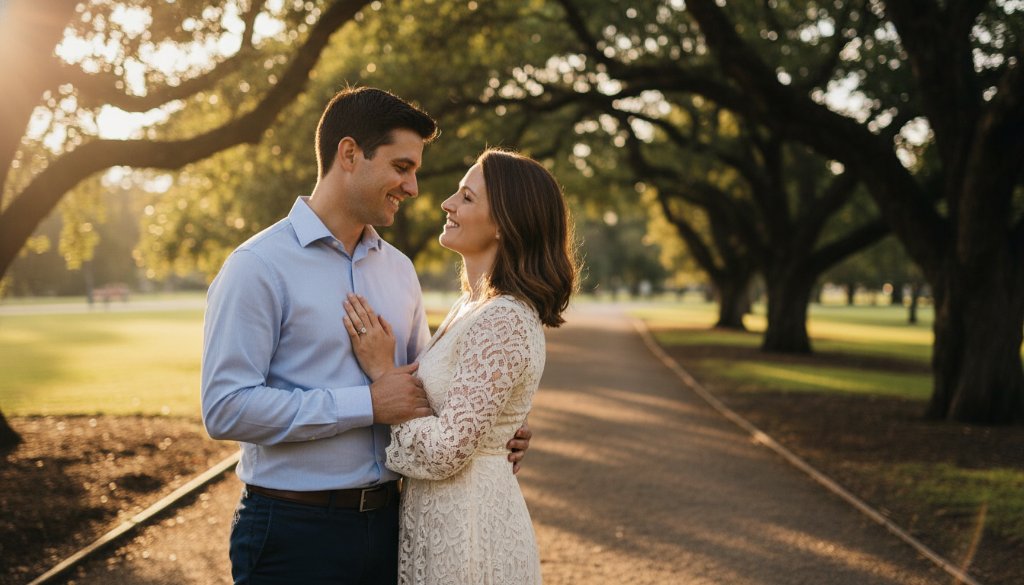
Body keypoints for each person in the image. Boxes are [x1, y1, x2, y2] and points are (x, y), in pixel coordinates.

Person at [201, 88, 532, 585]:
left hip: (392, 528)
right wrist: (366, 404)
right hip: (293, 533)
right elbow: (225, 407)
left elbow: (422, 391)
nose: (413, 187)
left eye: (415, 170)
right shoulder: (258, 266)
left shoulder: (399, 270)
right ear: (350, 154)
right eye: (402, 167)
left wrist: (488, 426)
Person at [342, 148, 577, 584]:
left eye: (466, 198)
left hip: (469, 534)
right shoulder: (470, 306)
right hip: (444, 521)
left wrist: (383, 376)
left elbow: (447, 450)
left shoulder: (504, 316)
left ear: (505, 224)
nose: (447, 203)